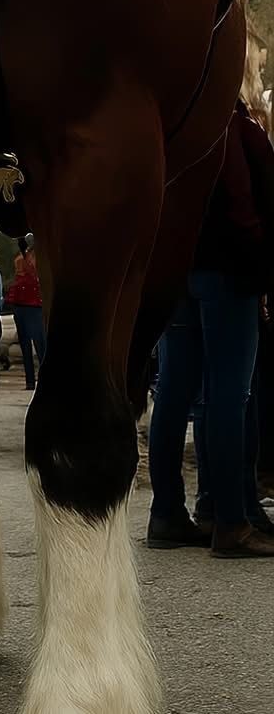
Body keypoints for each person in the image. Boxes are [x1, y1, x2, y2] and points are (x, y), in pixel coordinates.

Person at [147, 96, 274, 558]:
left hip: (177, 273)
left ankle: (167, 512)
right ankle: (231, 521)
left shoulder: (170, 128)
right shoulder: (226, 125)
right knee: (229, 396)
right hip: (228, 271)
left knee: (176, 392)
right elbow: (241, 203)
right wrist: (261, 268)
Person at [6, 237, 44, 389]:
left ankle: (30, 381)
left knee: (28, 344)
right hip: (32, 304)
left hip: (24, 304)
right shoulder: (30, 259)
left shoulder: (24, 259)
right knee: (38, 343)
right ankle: (34, 380)